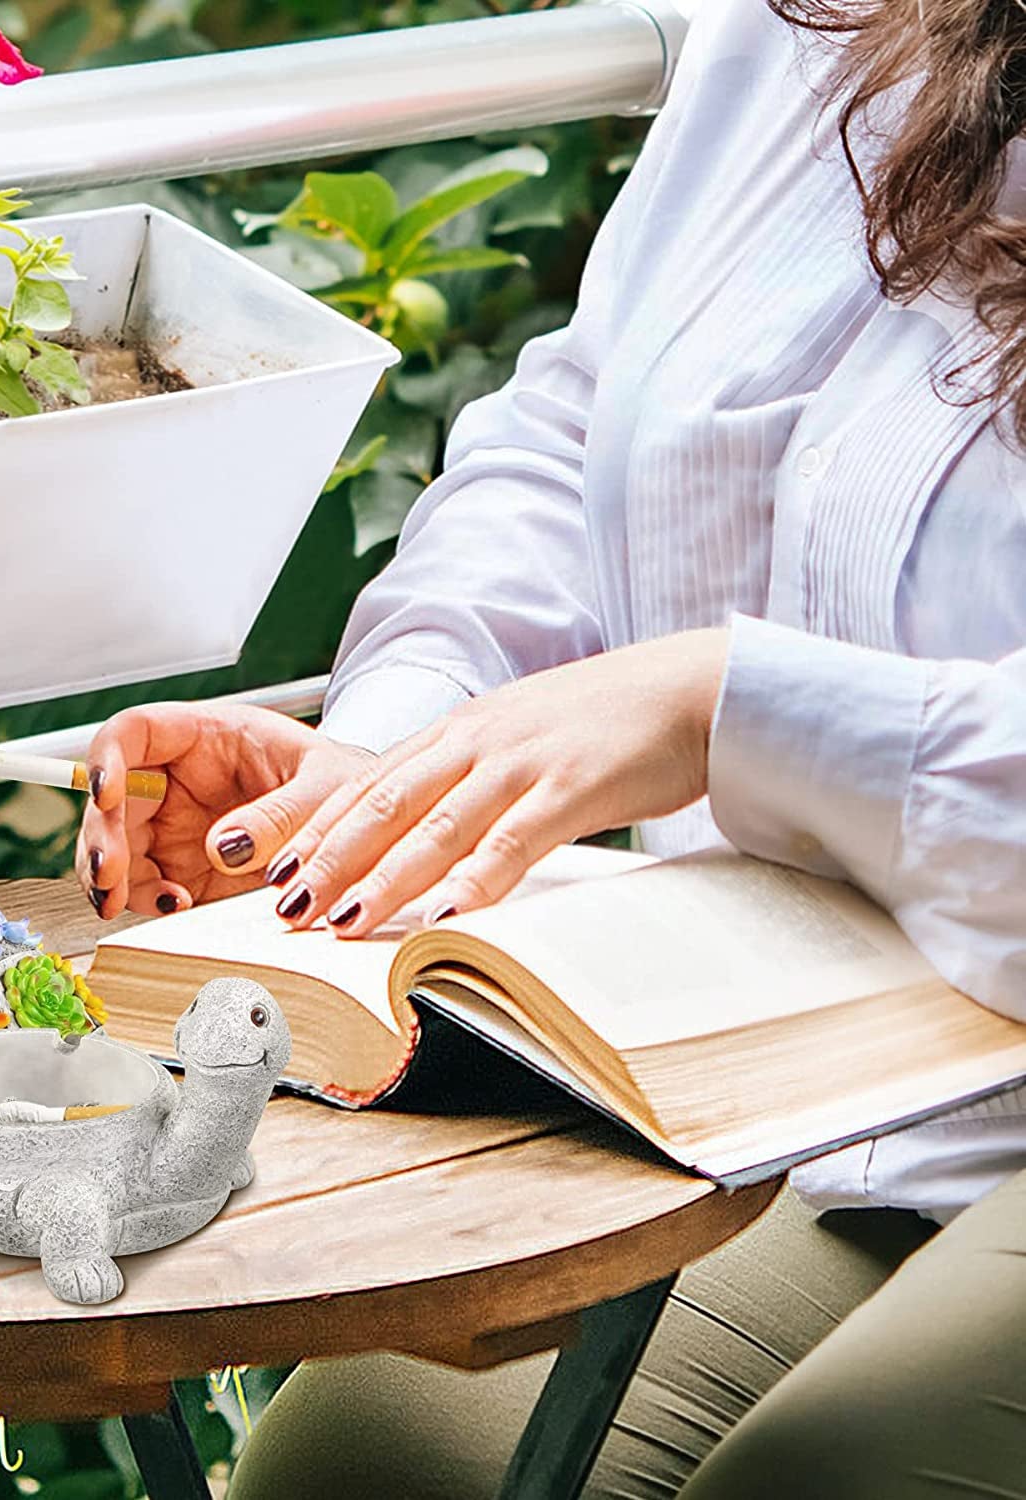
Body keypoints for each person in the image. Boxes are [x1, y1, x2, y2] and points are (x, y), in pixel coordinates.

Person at [75, 1, 1026, 1493]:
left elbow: (709, 698)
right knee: (361, 1466)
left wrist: (727, 708)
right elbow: (582, 425)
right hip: (793, 1085)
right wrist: (401, 761)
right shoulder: (813, 29)